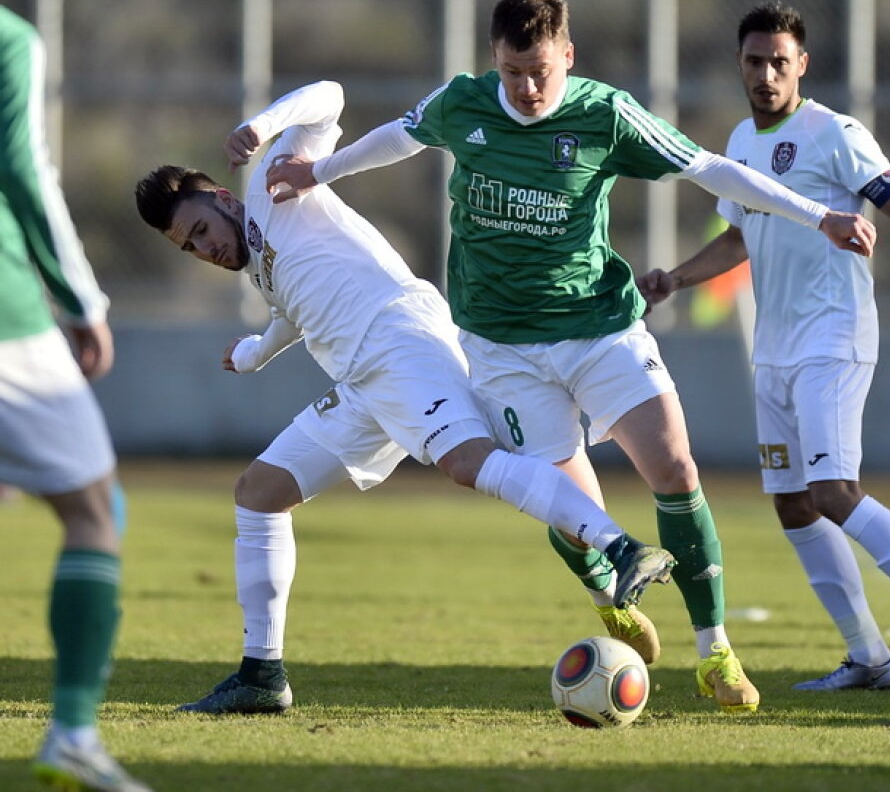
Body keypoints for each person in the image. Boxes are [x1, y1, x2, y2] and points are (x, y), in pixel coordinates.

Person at [266, 0, 878, 713]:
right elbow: (398, 137)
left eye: (541, 71)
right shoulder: (463, 103)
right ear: (496, 60)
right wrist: (319, 172)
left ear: (569, 55)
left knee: (676, 468)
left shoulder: (605, 114)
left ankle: (715, 651)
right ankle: (606, 595)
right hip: (500, 348)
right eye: (513, 72)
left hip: (600, 329)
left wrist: (820, 216)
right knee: (565, 503)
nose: (526, 88)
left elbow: (711, 169)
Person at [134, 79, 676, 714]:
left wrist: (260, 126)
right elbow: (292, 311)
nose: (204, 248)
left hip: (401, 342)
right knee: (259, 493)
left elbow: (331, 95)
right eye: (189, 247)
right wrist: (255, 352)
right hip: (363, 383)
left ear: (223, 197)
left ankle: (619, 549)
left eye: (200, 229)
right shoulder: (258, 262)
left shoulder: (271, 187)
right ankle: (261, 675)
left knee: (470, 464)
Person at [638, 2, 890, 697]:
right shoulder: (740, 140)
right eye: (754, 61)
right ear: (740, 64)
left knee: (834, 491)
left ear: (802, 63)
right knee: (794, 504)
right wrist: (676, 279)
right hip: (772, 351)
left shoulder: (835, 134)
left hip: (833, 340)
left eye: (780, 61)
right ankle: (868, 656)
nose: (767, 73)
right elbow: (741, 236)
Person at [0, 6, 151, 792]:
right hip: (6, 321)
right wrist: (83, 300)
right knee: (96, 509)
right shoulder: (7, 38)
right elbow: (24, 169)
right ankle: (71, 729)